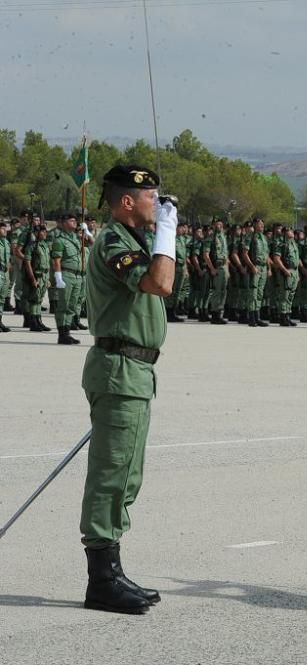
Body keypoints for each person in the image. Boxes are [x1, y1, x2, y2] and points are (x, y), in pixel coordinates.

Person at [80, 165, 177, 614]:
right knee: (110, 474)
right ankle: (100, 580)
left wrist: (162, 235)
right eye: (150, 197)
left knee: (126, 477)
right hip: (118, 368)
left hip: (135, 371)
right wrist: (167, 233)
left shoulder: (137, 240)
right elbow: (158, 283)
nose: (156, 203)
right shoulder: (115, 241)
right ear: (126, 201)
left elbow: (170, 283)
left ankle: (113, 569)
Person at [50, 212, 85, 344]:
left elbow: (91, 242)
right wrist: (58, 276)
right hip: (66, 274)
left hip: (78, 275)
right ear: (64, 224)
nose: (74, 223)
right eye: (71, 221)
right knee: (63, 305)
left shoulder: (76, 239)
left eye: (75, 221)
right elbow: (57, 260)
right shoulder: (59, 240)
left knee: (72, 305)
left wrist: (86, 231)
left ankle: (67, 332)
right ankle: (62, 334)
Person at [22, 223, 51, 333]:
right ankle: (33, 322)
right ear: (36, 233)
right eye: (42, 231)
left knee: (39, 299)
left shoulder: (44, 245)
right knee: (35, 300)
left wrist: (47, 278)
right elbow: (27, 263)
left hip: (44, 275)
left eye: (45, 231)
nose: (44, 233)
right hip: (37, 275)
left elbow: (47, 263)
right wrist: (32, 278)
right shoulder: (32, 246)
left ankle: (39, 320)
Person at [0, 221, 11, 332]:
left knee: (2, 299)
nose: (5, 231)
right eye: (2, 229)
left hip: (5, 273)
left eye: (5, 229)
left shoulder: (6, 242)